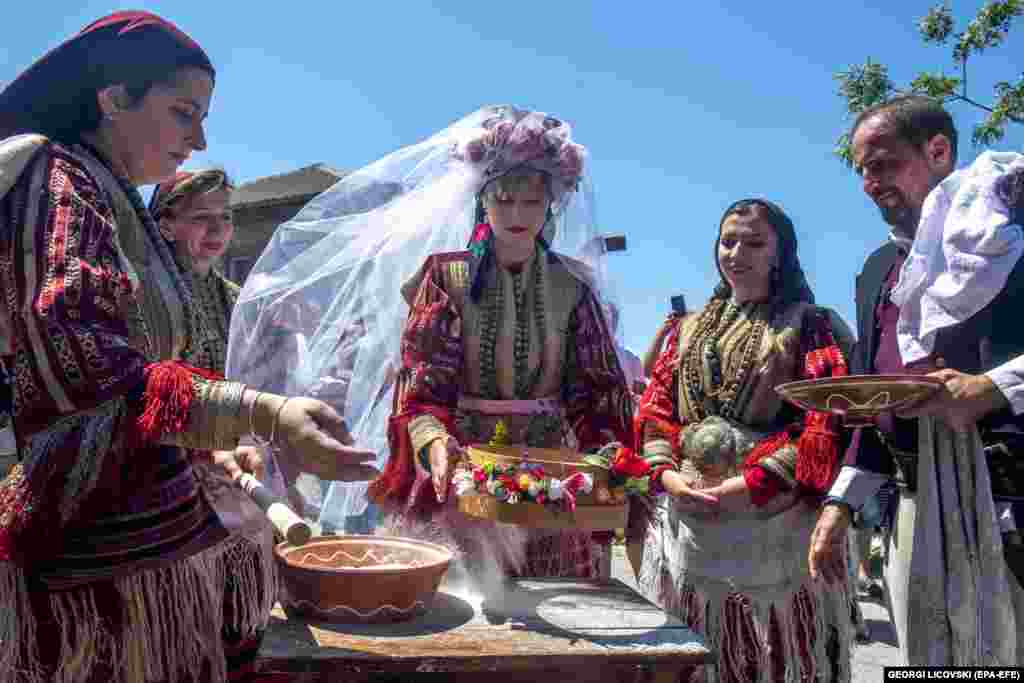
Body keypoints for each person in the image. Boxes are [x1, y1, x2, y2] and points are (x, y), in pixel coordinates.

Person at [0, 12, 375, 682]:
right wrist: (259, 410)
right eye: (183, 113)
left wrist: (220, 436)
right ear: (114, 97)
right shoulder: (60, 181)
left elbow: (154, 376)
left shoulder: (114, 197)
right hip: (97, 558)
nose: (199, 139)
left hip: (151, 540)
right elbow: (88, 364)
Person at [229, 106, 633, 585]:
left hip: (550, 472)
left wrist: (605, 458)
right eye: (505, 200)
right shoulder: (445, 276)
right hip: (460, 466)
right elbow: (422, 383)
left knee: (558, 609)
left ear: (550, 205)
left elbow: (595, 387)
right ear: (483, 202)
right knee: (467, 609)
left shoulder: (573, 285)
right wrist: (434, 442)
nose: (518, 214)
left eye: (531, 202)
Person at [809, 95, 1024, 665]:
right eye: (861, 170)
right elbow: (874, 393)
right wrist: (841, 505)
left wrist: (996, 388)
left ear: (938, 151)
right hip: (912, 507)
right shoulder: (879, 271)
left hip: (1010, 505)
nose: (869, 182)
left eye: (881, 163)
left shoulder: (1013, 230)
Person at [636, 199, 854, 683]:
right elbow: (655, 411)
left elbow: (825, 423)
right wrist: (667, 475)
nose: (737, 252)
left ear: (780, 254)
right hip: (689, 517)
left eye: (755, 243)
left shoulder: (809, 323)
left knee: (776, 660)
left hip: (772, 521)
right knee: (695, 656)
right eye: (728, 240)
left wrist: (750, 483)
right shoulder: (685, 329)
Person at [151, 168, 277, 669]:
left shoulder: (234, 299)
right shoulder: (145, 293)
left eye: (225, 218)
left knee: (241, 618)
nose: (217, 231)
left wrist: (249, 439)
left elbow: (249, 380)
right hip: (166, 467)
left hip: (229, 467)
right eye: (201, 219)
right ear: (163, 226)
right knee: (179, 625)